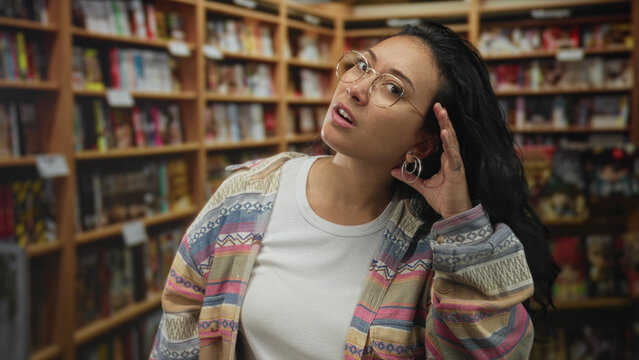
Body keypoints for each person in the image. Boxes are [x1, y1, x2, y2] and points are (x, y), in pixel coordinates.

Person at [150, 22, 558, 360]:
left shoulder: (435, 248)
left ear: (423, 141)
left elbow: (492, 352)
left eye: (393, 89)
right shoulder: (246, 195)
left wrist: (459, 224)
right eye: (362, 65)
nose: (357, 87)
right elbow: (181, 313)